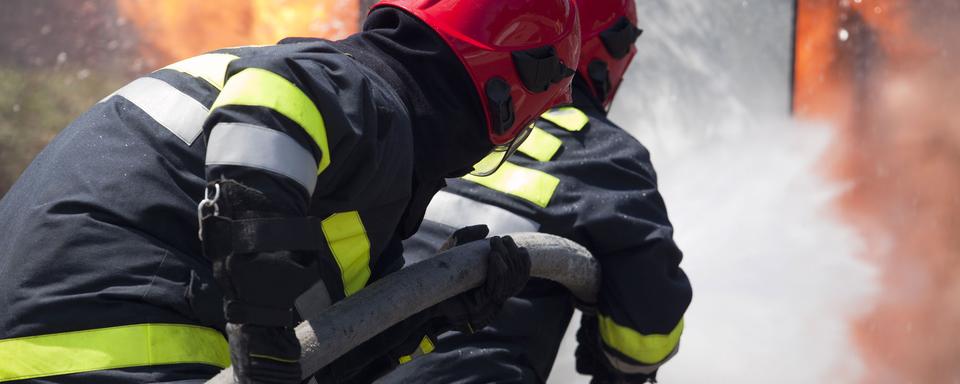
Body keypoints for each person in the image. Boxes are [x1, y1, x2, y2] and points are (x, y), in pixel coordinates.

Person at [0, 0, 581, 382]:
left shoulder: (358, 164)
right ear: (510, 88)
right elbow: (273, 102)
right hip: (115, 350)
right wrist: (260, 318)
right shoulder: (359, 93)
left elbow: (326, 353)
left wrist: (434, 311)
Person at [378, 0, 692, 383]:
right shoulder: (602, 154)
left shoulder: (429, 119)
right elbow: (645, 336)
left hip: (335, 360)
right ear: (609, 47)